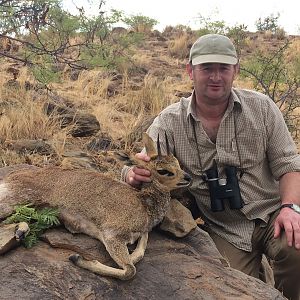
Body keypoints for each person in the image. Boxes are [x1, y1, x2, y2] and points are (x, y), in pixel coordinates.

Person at [121, 33, 300, 299]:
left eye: (223, 68)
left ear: (235, 70)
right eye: (207, 68)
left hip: (271, 213)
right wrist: (131, 174)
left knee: (296, 247)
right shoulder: (170, 122)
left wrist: (291, 208)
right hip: (224, 228)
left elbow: (289, 166)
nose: (216, 77)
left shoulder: (262, 109)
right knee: (234, 291)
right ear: (190, 71)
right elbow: (142, 161)